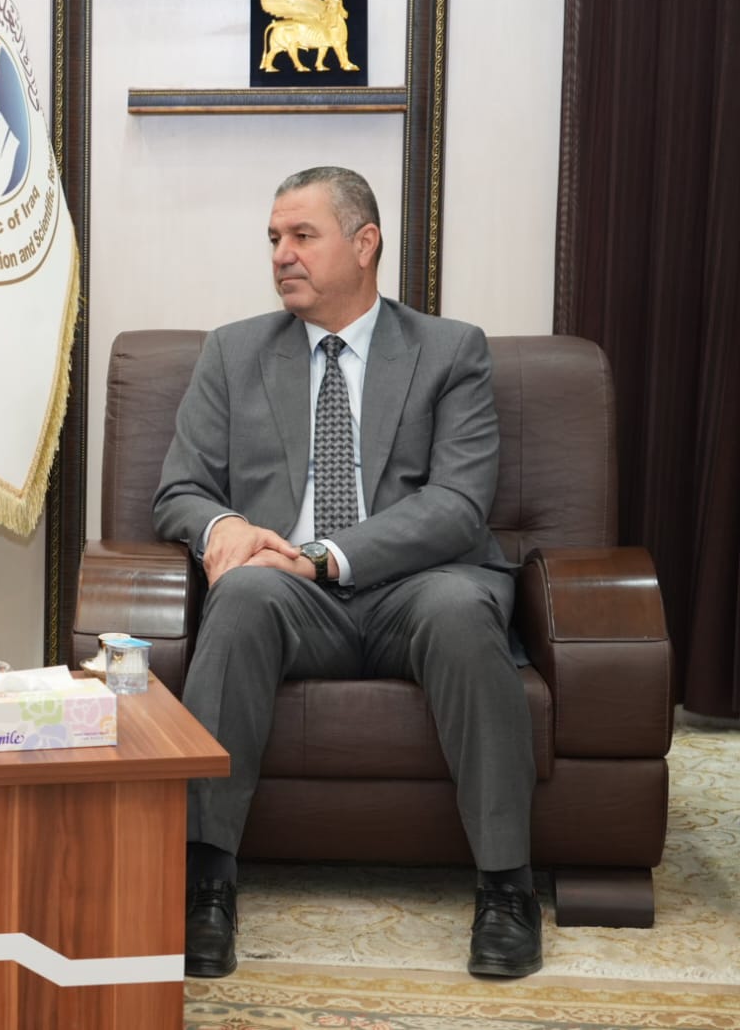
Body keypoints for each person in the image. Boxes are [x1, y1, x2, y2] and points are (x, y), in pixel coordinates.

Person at [152, 167, 540, 981]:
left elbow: (458, 506)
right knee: (242, 593)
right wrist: (225, 529)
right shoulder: (233, 352)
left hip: (417, 585)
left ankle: (507, 887)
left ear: (365, 244)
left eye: (303, 235)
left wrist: (328, 553)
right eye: (273, 238)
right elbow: (179, 489)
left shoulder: (449, 350)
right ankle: (205, 884)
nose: (281, 254)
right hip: (289, 595)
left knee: (463, 610)